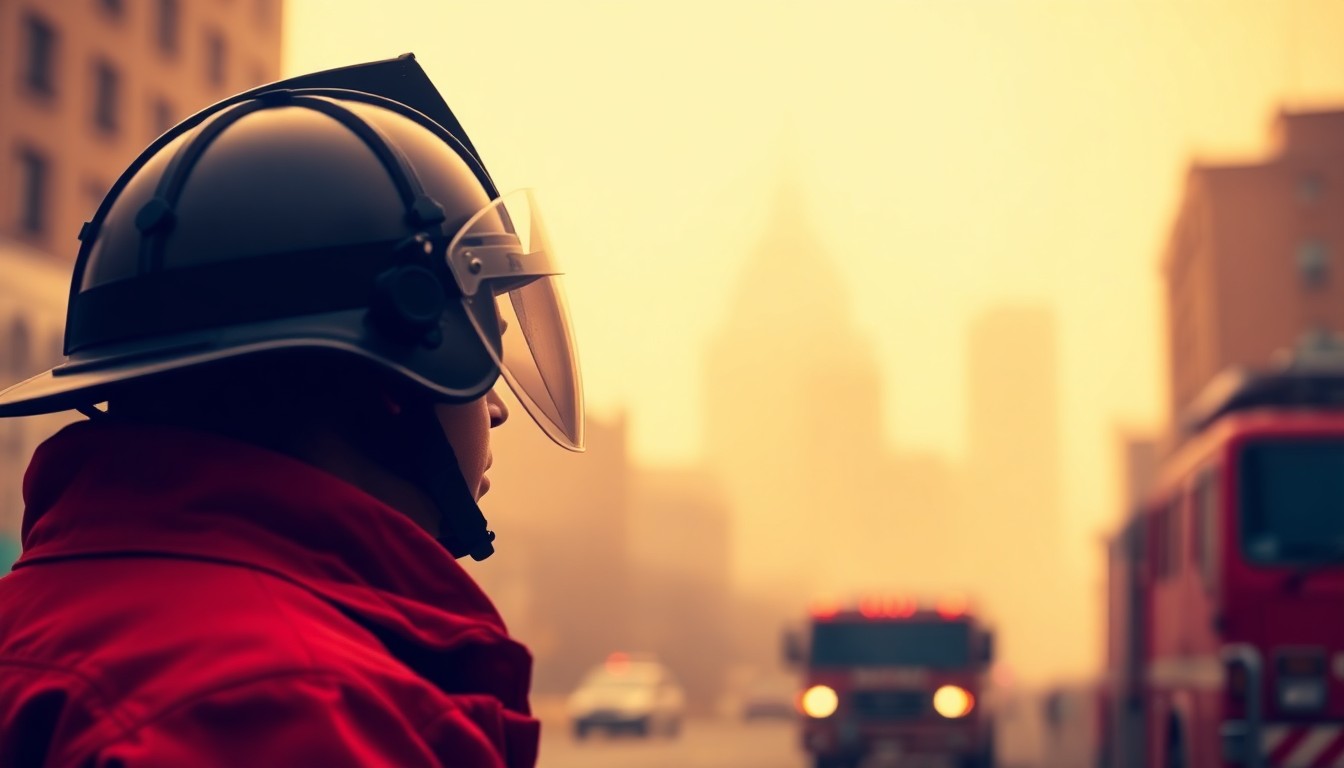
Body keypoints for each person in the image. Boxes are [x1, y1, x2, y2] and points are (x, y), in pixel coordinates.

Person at [0, 55, 583, 767]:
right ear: (391, 383)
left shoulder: (31, 624)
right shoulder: (297, 707)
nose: (496, 409)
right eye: (481, 345)